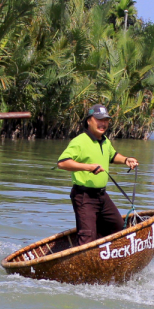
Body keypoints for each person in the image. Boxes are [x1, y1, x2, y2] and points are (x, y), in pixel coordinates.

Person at [56, 104, 140, 245]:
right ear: (89, 120)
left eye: (106, 120)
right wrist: (88, 167)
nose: (103, 123)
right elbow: (62, 163)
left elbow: (112, 156)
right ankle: (82, 262)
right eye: (99, 119)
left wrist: (126, 160)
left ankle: (103, 256)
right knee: (87, 237)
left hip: (102, 196)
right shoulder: (80, 141)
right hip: (84, 197)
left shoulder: (105, 141)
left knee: (119, 228)